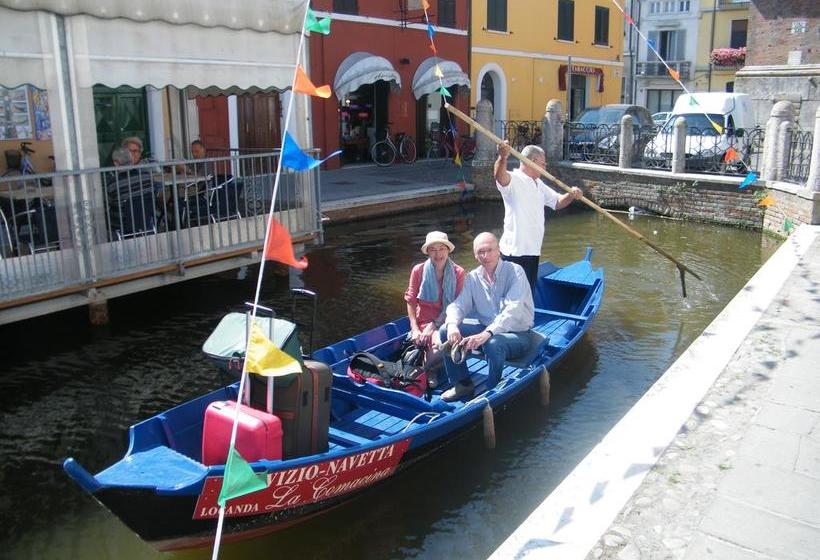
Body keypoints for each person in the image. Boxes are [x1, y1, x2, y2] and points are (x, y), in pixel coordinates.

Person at [437, 232, 534, 402]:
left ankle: (492, 389)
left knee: (492, 342)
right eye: (480, 252)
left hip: (518, 335)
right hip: (486, 331)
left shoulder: (515, 272)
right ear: (475, 255)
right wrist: (452, 324)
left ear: (499, 251)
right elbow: (459, 305)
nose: (485, 255)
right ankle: (462, 384)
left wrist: (487, 334)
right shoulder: (473, 277)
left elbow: (513, 310)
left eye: (489, 250)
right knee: (445, 330)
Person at [495, 142, 583, 290]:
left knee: (528, 293)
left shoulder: (538, 184)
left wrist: (571, 195)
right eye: (543, 164)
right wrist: (502, 157)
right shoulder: (514, 179)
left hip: (533, 251)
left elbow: (557, 203)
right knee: (512, 294)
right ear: (532, 161)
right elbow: (500, 177)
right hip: (515, 252)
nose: (545, 168)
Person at [404, 231, 466, 387]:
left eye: (442, 249)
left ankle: (422, 370)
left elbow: (456, 305)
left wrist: (434, 326)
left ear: (448, 250)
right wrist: (415, 329)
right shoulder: (418, 270)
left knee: (442, 342)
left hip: (447, 321)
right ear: (428, 252)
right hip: (423, 322)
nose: (438, 254)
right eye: (433, 249)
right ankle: (431, 366)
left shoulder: (458, 272)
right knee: (439, 344)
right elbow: (410, 301)